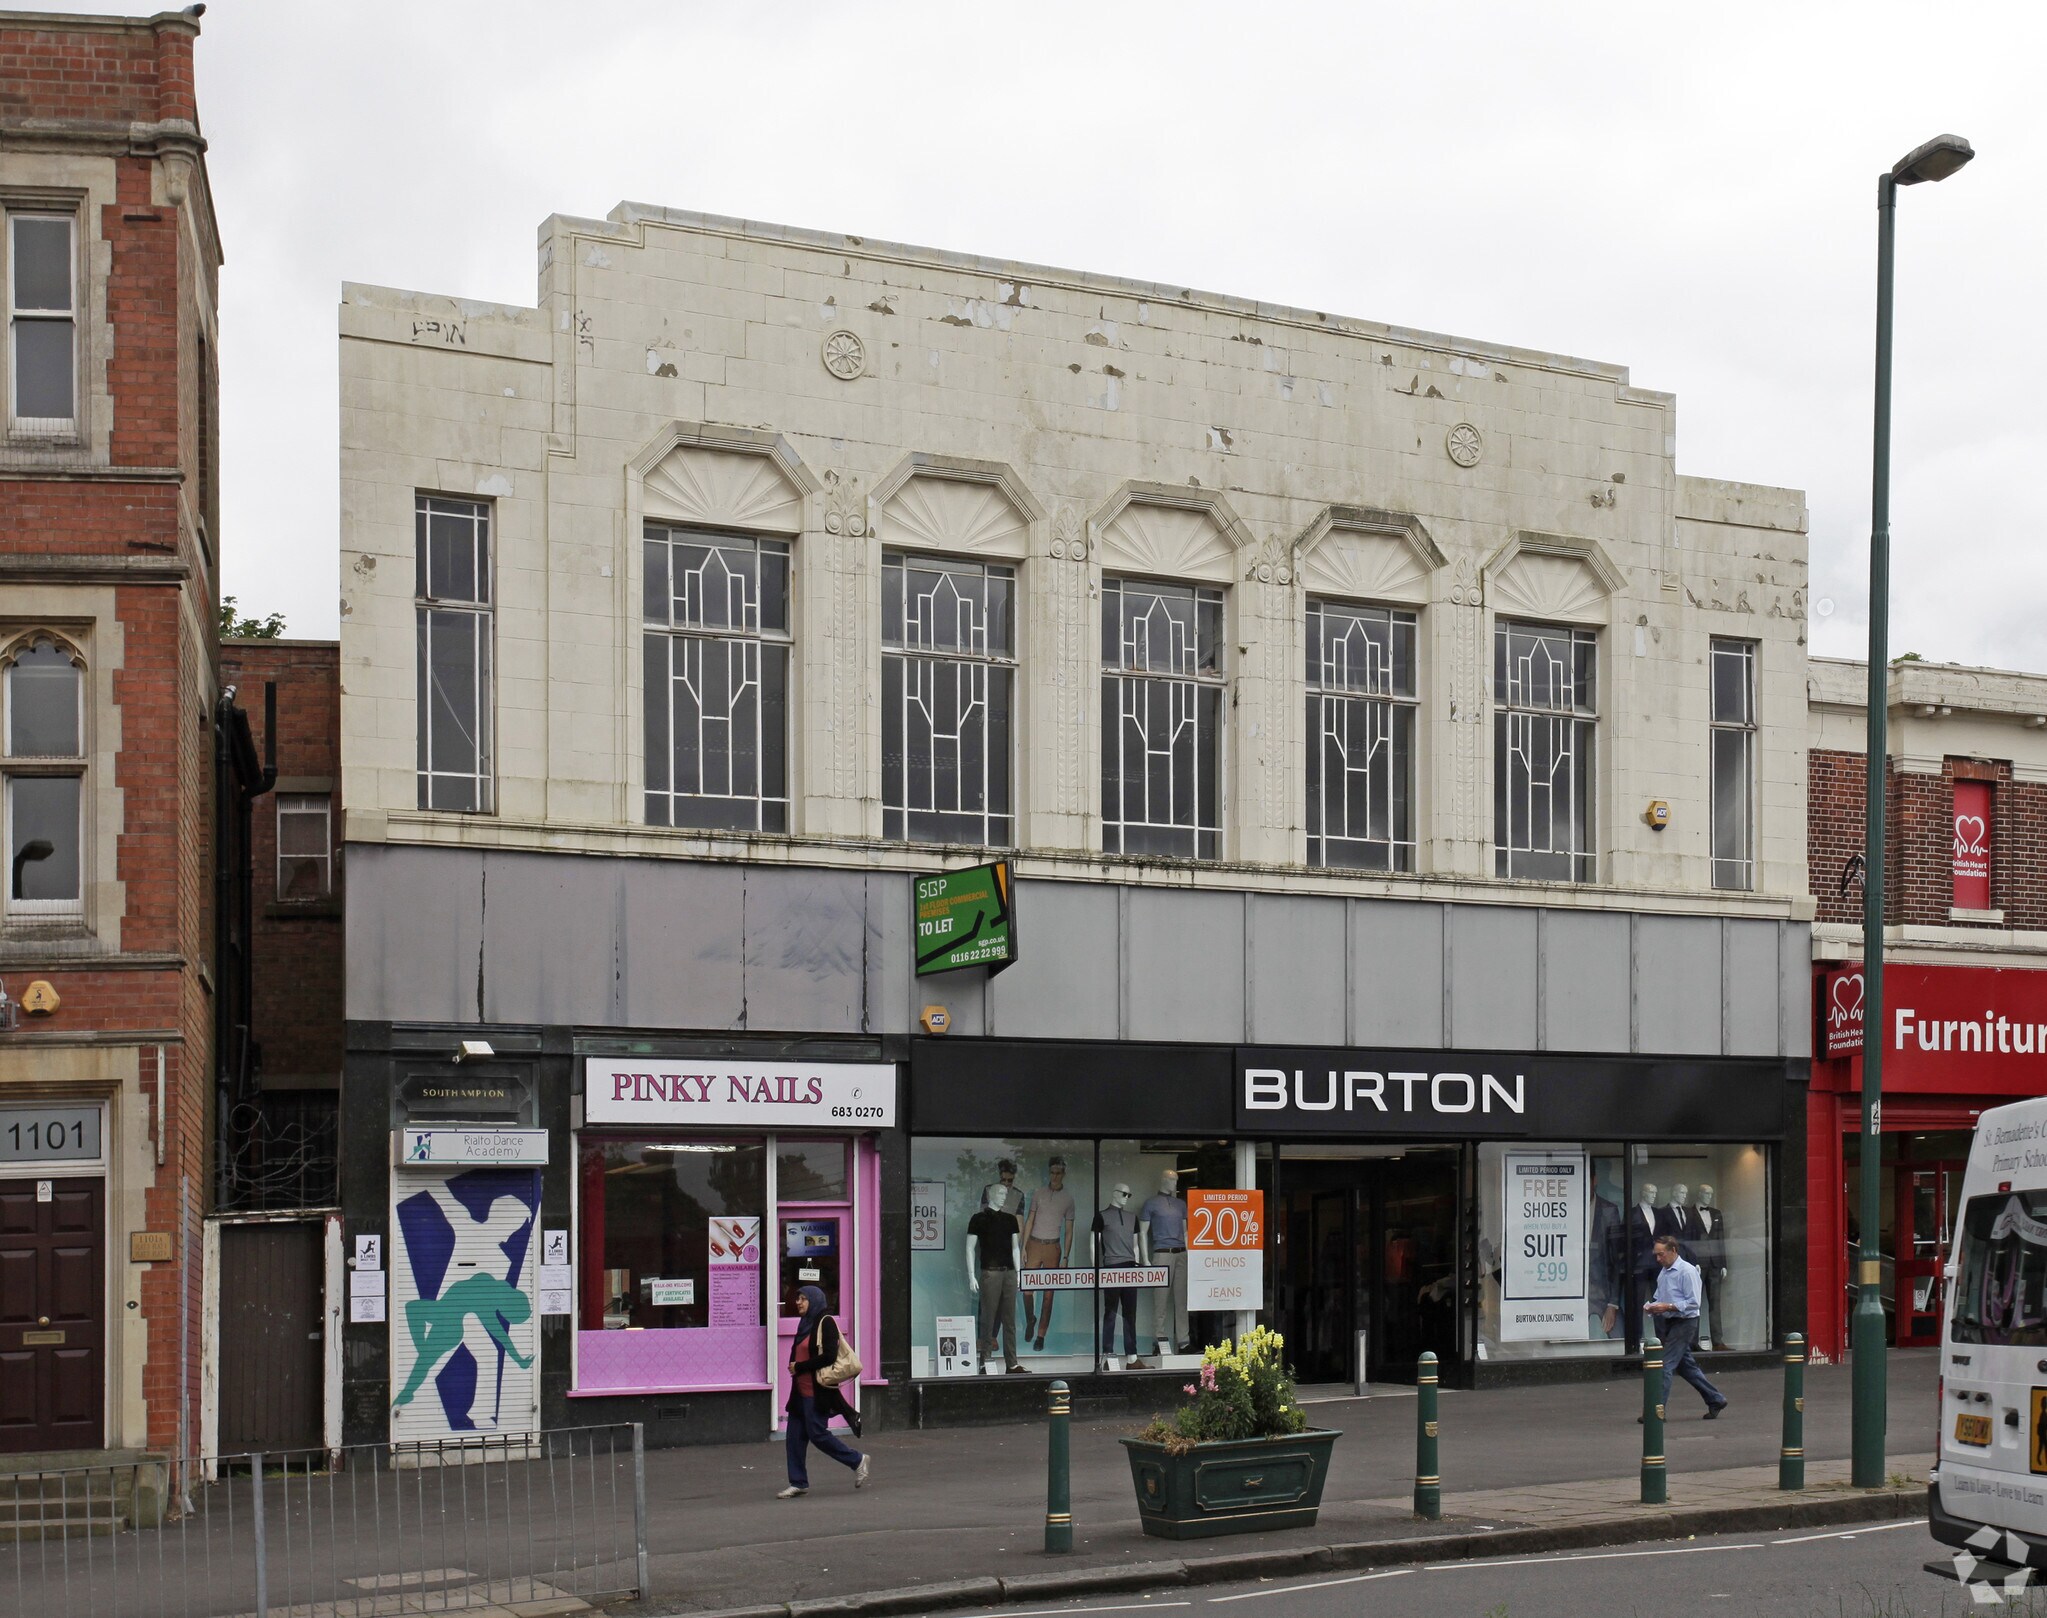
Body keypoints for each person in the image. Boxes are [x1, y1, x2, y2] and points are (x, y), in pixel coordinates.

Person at [779, 1285, 869, 1498]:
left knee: (818, 1434)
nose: (798, 1302)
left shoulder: (825, 1322)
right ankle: (798, 1482)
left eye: (803, 1299)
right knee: (794, 1438)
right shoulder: (805, 1324)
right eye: (798, 1298)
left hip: (816, 1392)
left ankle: (857, 1460)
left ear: (814, 1300)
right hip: (800, 1392)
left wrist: (800, 1367)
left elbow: (829, 1356)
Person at [1642, 1234, 1728, 1421]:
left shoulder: (1687, 1271)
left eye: (1661, 1254)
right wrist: (1654, 1307)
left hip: (1685, 1322)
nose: (1658, 1259)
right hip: (1670, 1321)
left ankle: (1656, 1410)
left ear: (1673, 1251)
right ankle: (1716, 1399)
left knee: (1664, 1366)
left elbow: (1694, 1303)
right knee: (1686, 1367)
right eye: (1656, 1255)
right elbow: (1659, 1296)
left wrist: (1668, 1306)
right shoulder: (1664, 1272)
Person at [1019, 1156, 1076, 1350]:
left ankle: (1041, 1335)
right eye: (1052, 1172)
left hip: (1053, 1246)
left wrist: (1066, 1256)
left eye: (1058, 1172)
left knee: (1049, 1294)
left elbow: (1069, 1230)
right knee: (1027, 1289)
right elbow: (1029, 1220)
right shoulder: (1038, 1193)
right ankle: (1030, 1319)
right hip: (1034, 1244)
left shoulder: (1068, 1198)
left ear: (1064, 1174)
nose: (1055, 1176)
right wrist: (1023, 1248)